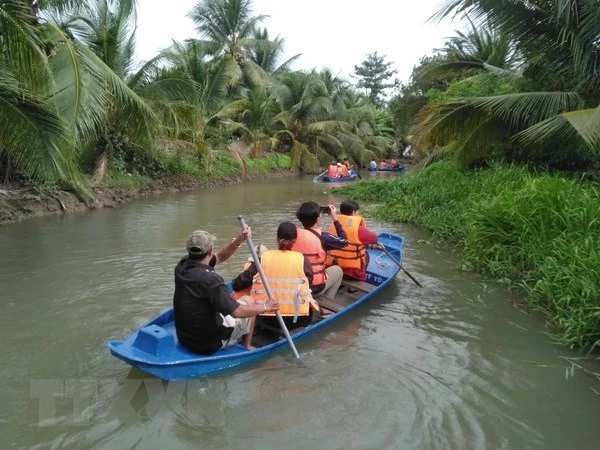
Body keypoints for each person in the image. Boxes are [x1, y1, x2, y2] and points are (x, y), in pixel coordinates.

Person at [173, 229, 279, 355]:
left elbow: (219, 257)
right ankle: (247, 346)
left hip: (185, 337)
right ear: (210, 251)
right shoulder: (211, 280)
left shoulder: (183, 264)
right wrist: (266, 306)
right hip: (208, 344)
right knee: (250, 301)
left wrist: (238, 241)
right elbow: (236, 312)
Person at [233, 222, 318, 327]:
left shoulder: (263, 258)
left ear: (277, 239)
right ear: (295, 241)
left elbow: (237, 284)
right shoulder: (303, 260)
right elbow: (309, 286)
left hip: (265, 317)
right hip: (298, 319)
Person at [293, 202, 348, 302]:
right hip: (314, 287)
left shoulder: (292, 235)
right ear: (318, 219)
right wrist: (335, 218)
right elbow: (344, 242)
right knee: (338, 270)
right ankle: (325, 308)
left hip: (294, 284)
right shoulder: (323, 237)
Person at [326, 200, 378, 281]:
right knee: (366, 254)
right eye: (357, 212)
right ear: (354, 212)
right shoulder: (358, 229)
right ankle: (353, 286)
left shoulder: (334, 223)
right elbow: (374, 238)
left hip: (334, 266)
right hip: (352, 273)